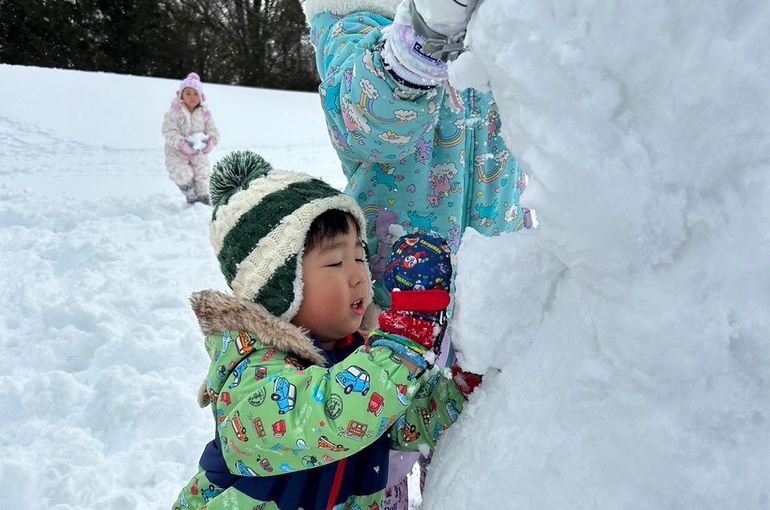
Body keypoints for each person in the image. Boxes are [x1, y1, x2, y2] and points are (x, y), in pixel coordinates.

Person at [304, 0, 532, 504]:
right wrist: (422, 41)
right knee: (374, 467)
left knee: (480, 463)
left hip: (498, 291)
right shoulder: (352, 16)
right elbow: (365, 122)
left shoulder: (505, 18)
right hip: (391, 313)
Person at [171, 150, 465, 510]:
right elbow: (328, 415)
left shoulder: (357, 355)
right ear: (279, 289)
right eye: (336, 262)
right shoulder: (249, 376)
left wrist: (459, 390)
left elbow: (397, 423)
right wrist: (404, 343)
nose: (359, 275)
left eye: (359, 256)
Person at [162, 72, 219, 204]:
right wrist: (181, 143)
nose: (192, 97)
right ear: (181, 95)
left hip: (198, 149)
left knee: (202, 172)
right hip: (176, 151)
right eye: (188, 93)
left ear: (201, 96)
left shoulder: (204, 112)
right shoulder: (175, 111)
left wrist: (211, 141)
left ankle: (202, 196)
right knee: (182, 172)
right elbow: (168, 130)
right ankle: (189, 191)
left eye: (196, 94)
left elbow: (212, 128)